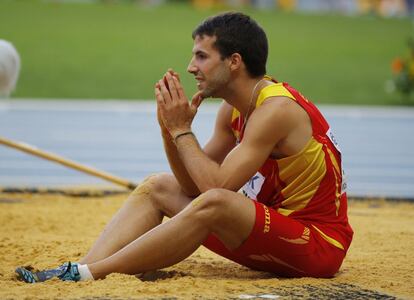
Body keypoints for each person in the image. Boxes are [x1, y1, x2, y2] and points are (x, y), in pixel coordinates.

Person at [16, 12, 353, 283]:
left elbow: (215, 190)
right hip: (274, 233)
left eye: (201, 56)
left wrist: (182, 130)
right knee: (158, 186)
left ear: (234, 61)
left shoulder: (275, 110)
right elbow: (194, 185)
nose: (191, 66)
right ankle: (78, 269)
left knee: (218, 202)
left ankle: (92, 274)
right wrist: (169, 130)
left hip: (317, 245)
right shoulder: (233, 110)